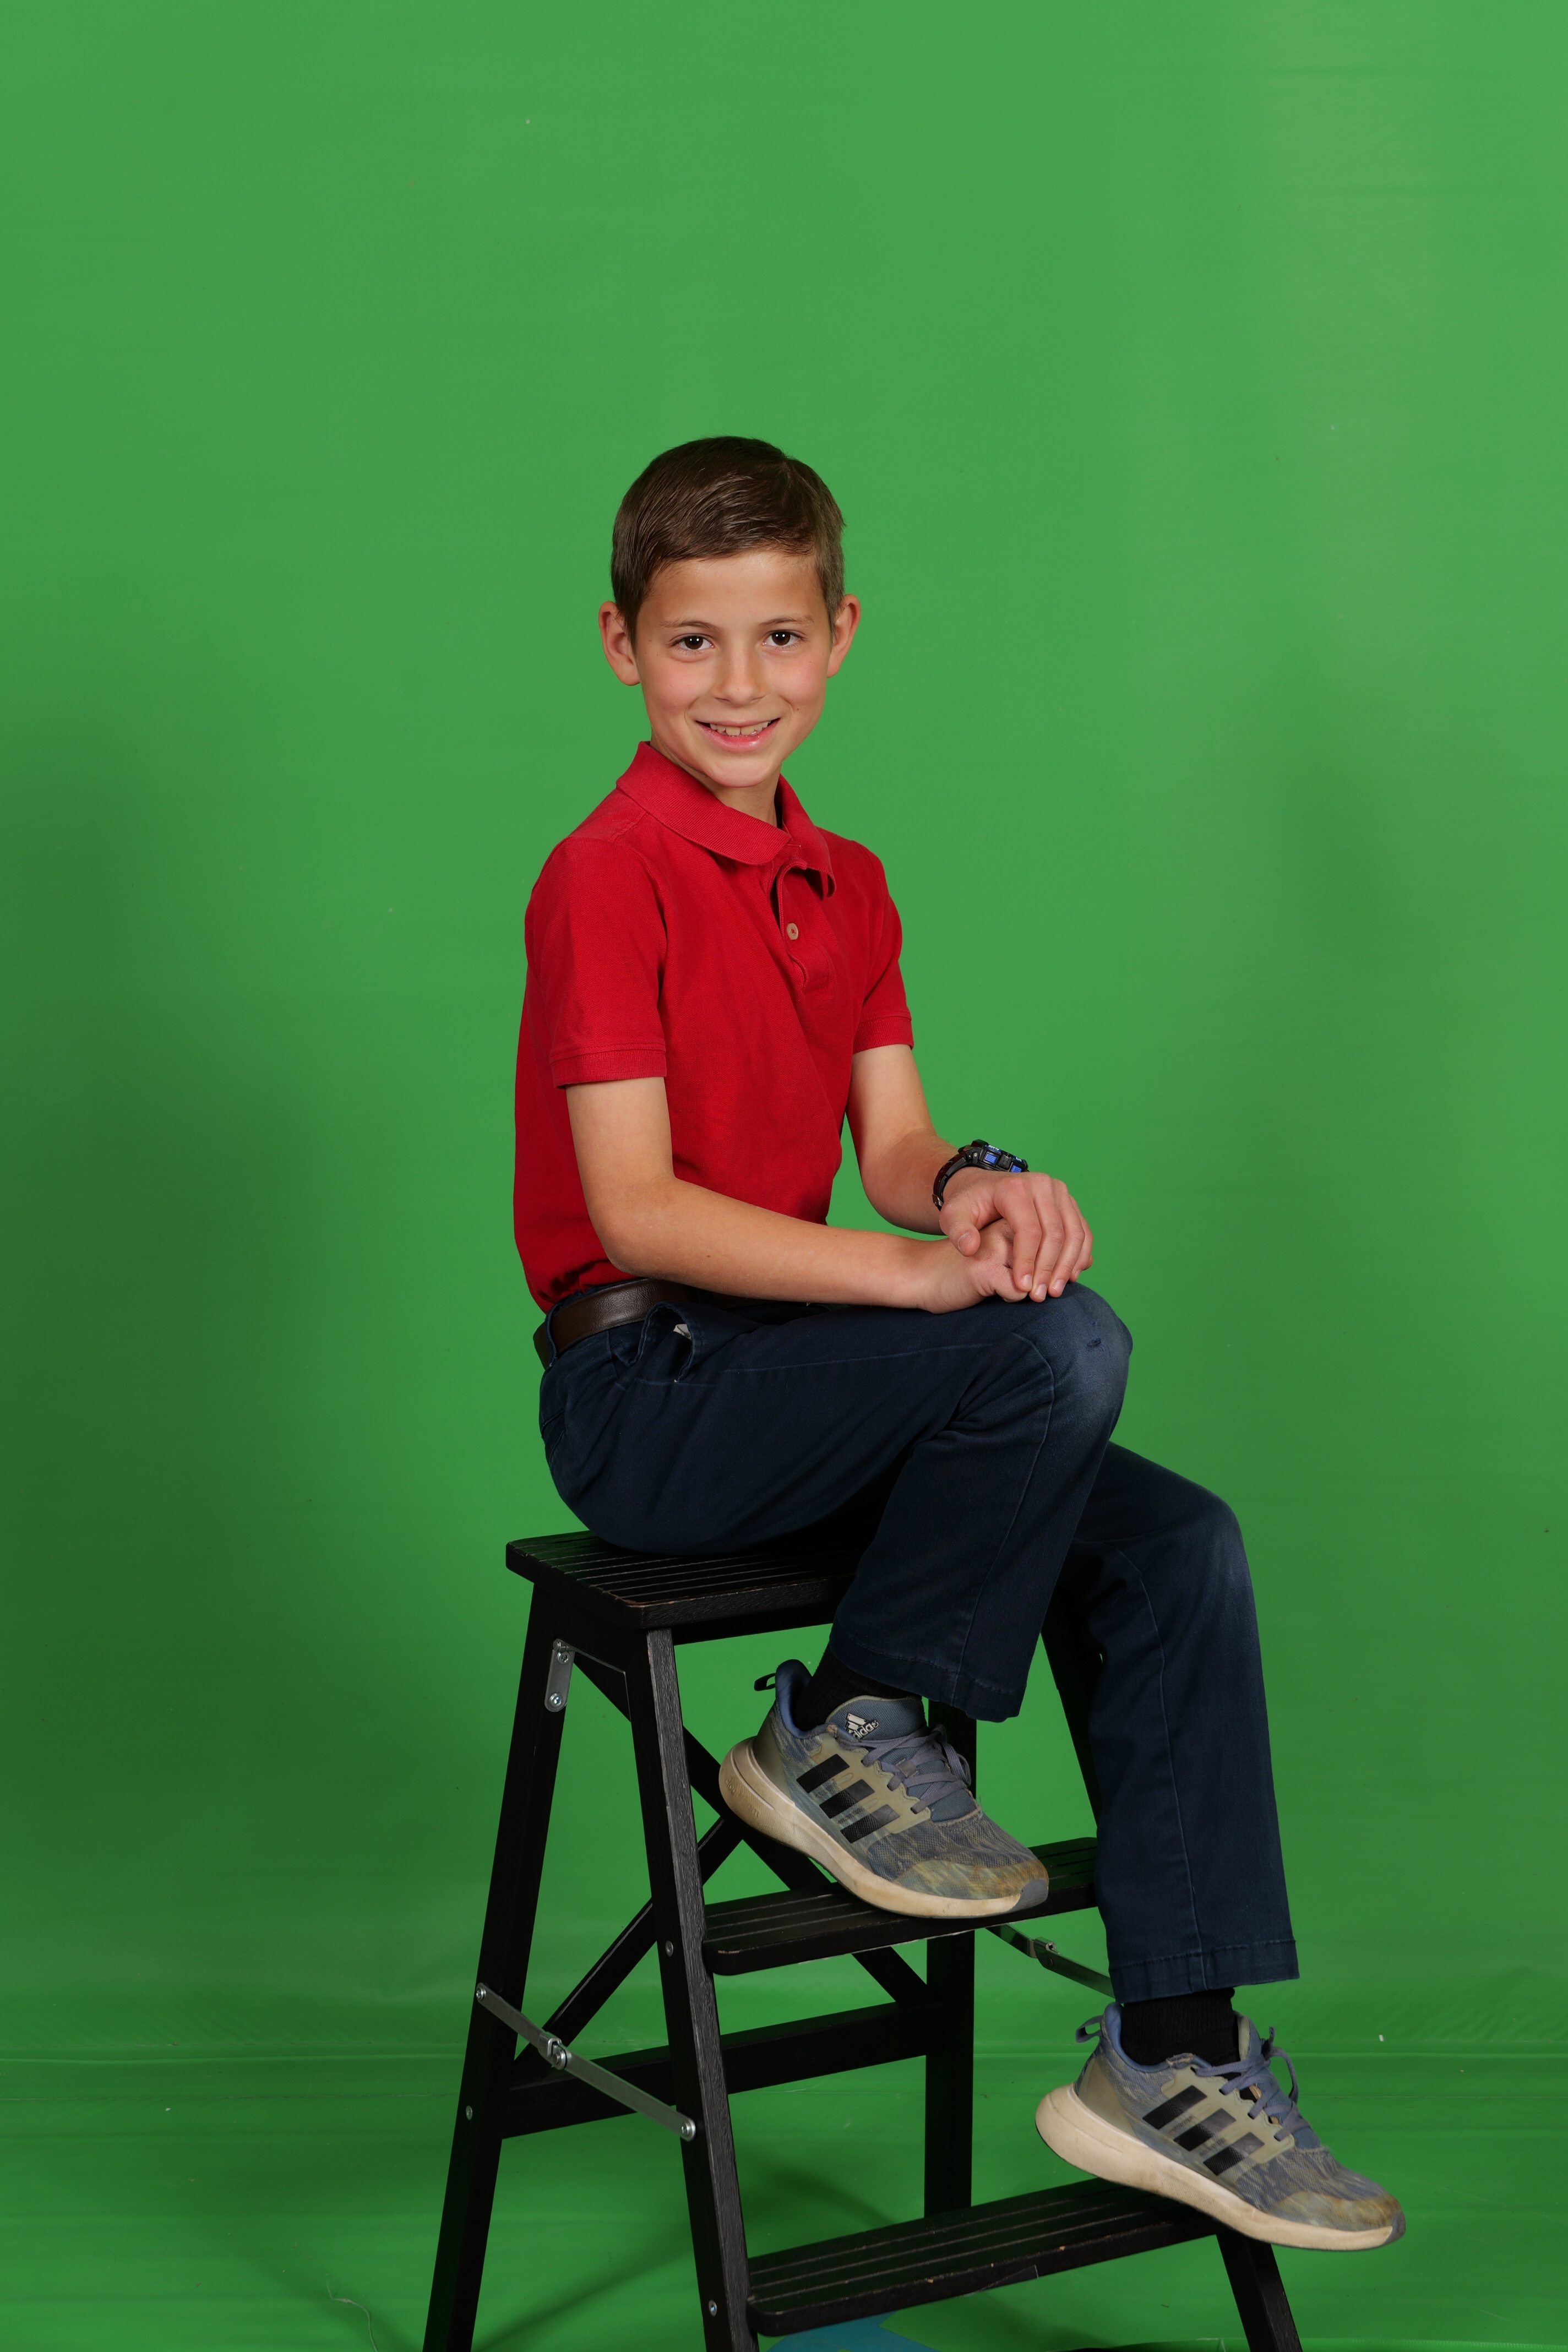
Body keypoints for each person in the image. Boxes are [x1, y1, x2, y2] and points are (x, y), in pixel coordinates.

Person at [513, 437, 1403, 2253]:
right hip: (655, 1397)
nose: (739, 685)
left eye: (778, 639)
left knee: (1177, 1543)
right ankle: (841, 1723)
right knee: (1054, 1354)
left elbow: (897, 1142)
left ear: (841, 636)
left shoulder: (845, 882)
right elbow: (640, 1212)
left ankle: (1171, 2054)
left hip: (814, 1387)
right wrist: (916, 1282)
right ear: (621, 646)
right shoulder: (608, 874)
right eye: (693, 643)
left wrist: (976, 1191)